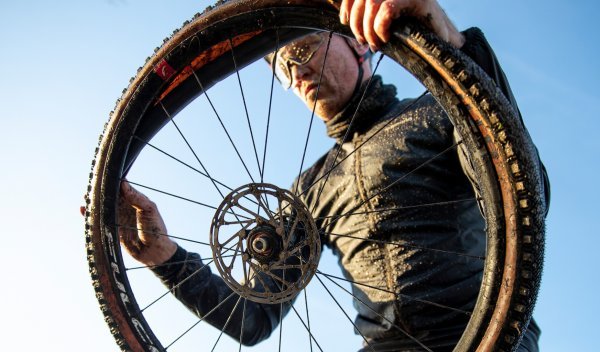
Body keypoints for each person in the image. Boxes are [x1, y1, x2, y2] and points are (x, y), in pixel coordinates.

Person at [113, 0, 549, 350]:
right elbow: (254, 318)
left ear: (357, 44)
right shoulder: (310, 188)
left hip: (491, 330)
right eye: (283, 68)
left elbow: (526, 194)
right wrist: (166, 258)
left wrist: (453, 46)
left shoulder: (435, 112)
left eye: (301, 50)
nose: (296, 72)